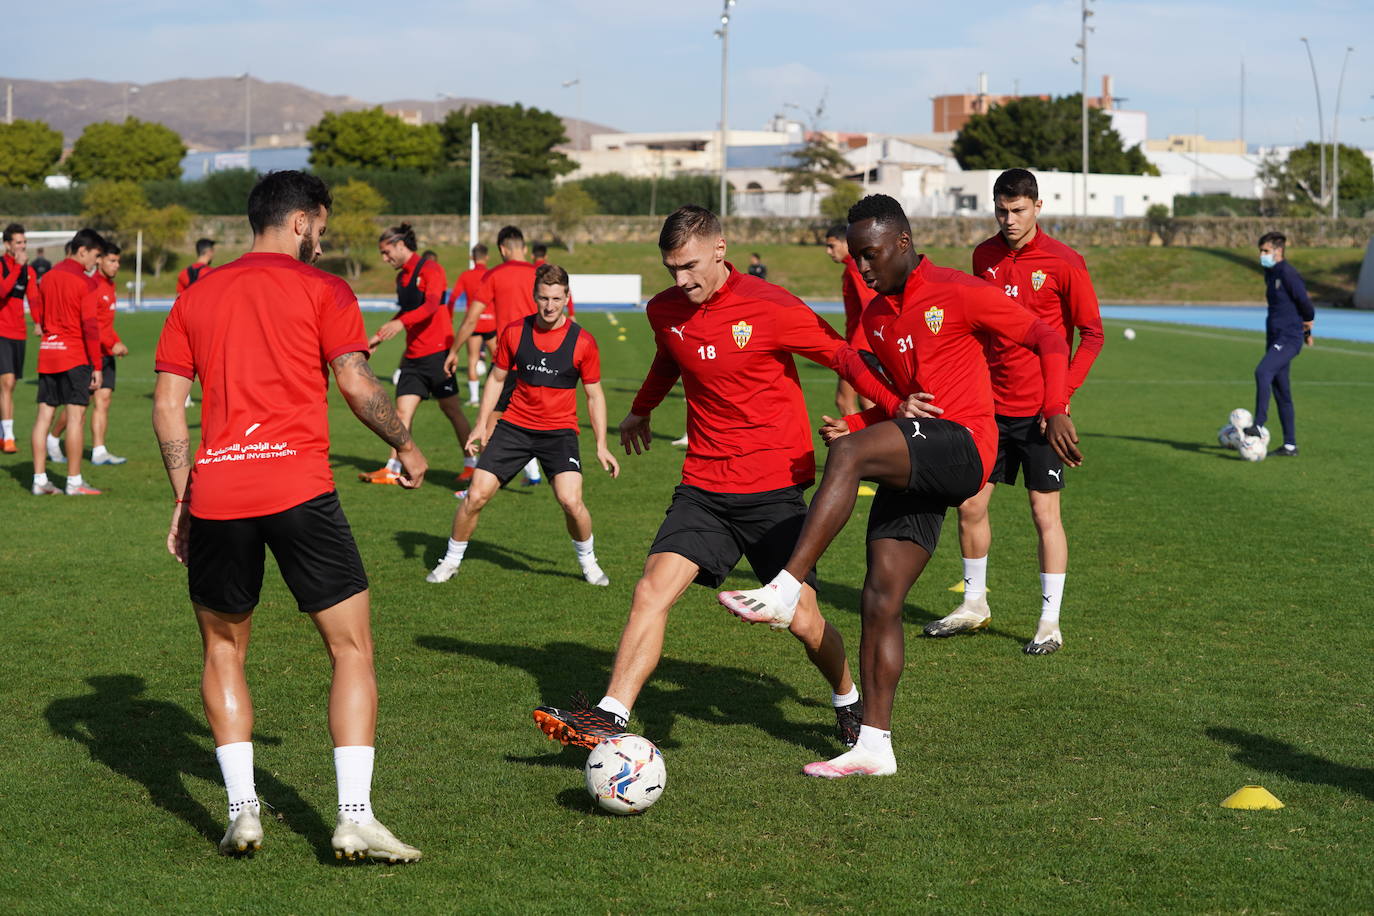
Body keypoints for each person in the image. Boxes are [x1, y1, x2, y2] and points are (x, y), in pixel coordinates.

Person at [718, 194, 1079, 778]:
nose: (862, 267)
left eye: (871, 254)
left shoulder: (958, 290)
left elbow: (1049, 336)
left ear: (903, 244)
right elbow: (882, 382)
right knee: (879, 600)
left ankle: (786, 585)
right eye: (856, 257)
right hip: (919, 453)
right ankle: (874, 747)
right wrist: (861, 419)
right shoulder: (879, 313)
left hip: (965, 448)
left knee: (852, 454)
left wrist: (1055, 406)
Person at [531, 205, 904, 754]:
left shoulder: (771, 305)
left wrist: (899, 405)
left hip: (773, 485)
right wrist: (641, 410)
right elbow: (669, 358)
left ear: (721, 249)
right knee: (650, 590)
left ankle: (848, 698)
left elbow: (843, 356)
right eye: (671, 269)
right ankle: (609, 716)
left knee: (803, 620)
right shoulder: (665, 311)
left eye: (690, 266)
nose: (681, 281)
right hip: (704, 485)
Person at [151, 170, 426, 862]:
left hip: (217, 497)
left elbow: (165, 407)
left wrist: (184, 495)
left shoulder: (197, 294)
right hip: (300, 489)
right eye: (322, 229)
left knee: (222, 649)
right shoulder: (323, 290)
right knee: (350, 648)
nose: (323, 243)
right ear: (301, 221)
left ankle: (243, 811)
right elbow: (358, 382)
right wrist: (405, 444)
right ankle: (354, 816)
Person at [924, 168, 1103, 655]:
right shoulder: (983, 256)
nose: (1009, 219)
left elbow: (1092, 334)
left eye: (1018, 210)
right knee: (970, 503)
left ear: (1038, 207)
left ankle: (1049, 621)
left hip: (1043, 413)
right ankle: (974, 603)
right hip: (987, 407)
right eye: (1001, 210)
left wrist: (1060, 398)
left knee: (1043, 512)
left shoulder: (1066, 262)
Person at [428, 263, 618, 585]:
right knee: (475, 495)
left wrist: (601, 444)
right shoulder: (515, 333)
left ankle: (589, 562)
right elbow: (497, 378)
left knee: (571, 501)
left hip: (559, 431)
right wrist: (479, 425)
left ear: (567, 297)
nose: (549, 306)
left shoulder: (583, 342)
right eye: (544, 298)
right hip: (515, 427)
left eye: (556, 299)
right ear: (534, 296)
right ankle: (450, 560)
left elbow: (594, 395)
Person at [358, 225, 474, 485]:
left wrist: (400, 324)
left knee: (451, 409)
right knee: (401, 413)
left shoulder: (432, 270)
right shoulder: (402, 278)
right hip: (413, 357)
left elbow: (432, 305)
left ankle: (472, 464)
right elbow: (406, 312)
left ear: (401, 245)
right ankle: (393, 466)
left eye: (386, 252)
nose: (384, 259)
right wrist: (378, 337)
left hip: (437, 354)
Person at [448, 225, 542, 485]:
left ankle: (478, 488)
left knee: (490, 422)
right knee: (530, 418)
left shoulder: (495, 275)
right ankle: (532, 470)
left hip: (508, 362)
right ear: (523, 247)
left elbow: (471, 319)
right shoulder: (540, 274)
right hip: (542, 362)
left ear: (502, 249)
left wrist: (453, 351)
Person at [29, 228, 105, 496]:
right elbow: (90, 327)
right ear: (82, 250)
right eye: (95, 256)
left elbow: (39, 314)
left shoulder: (46, 278)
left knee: (43, 417)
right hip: (74, 355)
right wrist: (97, 365)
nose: (95, 262)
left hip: (48, 351)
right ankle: (74, 482)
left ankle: (39, 480)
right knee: (76, 418)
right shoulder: (85, 283)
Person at [49, 240, 131, 466]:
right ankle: (53, 437)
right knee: (80, 406)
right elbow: (91, 325)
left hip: (106, 354)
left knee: (104, 401)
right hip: (89, 353)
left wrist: (116, 342)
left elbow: (106, 324)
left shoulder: (111, 286)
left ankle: (99, 451)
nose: (116, 266)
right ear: (99, 260)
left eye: (118, 262)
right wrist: (110, 343)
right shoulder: (91, 285)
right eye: (112, 261)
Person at [1245, 232, 1313, 457]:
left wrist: (1307, 328)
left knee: (1262, 371)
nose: (1262, 255)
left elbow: (1305, 303)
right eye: (1260, 251)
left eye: (1265, 251)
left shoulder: (1288, 274)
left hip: (1289, 338)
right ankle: (1290, 446)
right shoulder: (1270, 272)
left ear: (1278, 251)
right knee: (1281, 391)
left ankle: (1259, 425)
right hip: (1274, 336)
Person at [825, 224, 877, 416]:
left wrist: (853, 350)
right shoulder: (854, 267)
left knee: (844, 401)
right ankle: (883, 444)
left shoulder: (855, 268)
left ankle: (863, 446)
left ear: (847, 243)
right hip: (868, 346)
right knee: (867, 401)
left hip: (861, 347)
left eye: (832, 245)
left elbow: (869, 307)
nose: (828, 251)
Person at [0, 223, 38, 453]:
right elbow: (3, 291)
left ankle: (3, 431)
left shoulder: (29, 270)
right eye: (18, 243)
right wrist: (17, 268)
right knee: (8, 382)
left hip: (19, 333)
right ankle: (10, 437)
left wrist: (39, 323)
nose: (23, 246)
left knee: (9, 385)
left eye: (24, 242)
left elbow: (33, 298)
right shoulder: (4, 266)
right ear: (7, 245)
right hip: (1, 332)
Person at [451, 243, 495, 406]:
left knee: (472, 360)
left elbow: (453, 297)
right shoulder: (492, 274)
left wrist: (450, 316)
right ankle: (496, 396)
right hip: (492, 322)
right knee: (499, 361)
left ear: (472, 257)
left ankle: (475, 398)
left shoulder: (465, 276)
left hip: (474, 323)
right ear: (487, 257)